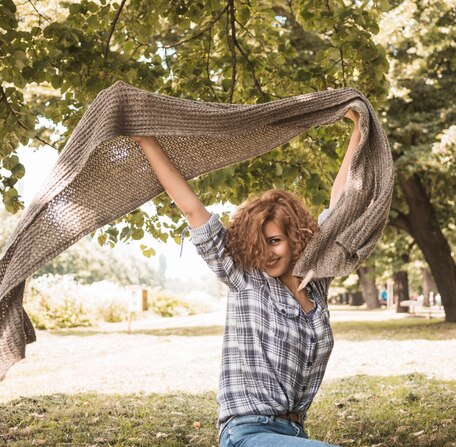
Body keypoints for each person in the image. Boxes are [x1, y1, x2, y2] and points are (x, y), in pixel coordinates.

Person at [130, 109, 361, 447]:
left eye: (275, 241)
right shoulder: (244, 277)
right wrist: (146, 140)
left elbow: (340, 206)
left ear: (295, 239)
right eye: (260, 243)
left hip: (295, 432)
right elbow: (193, 210)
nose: (267, 253)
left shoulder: (315, 280)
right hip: (247, 433)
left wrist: (358, 129)